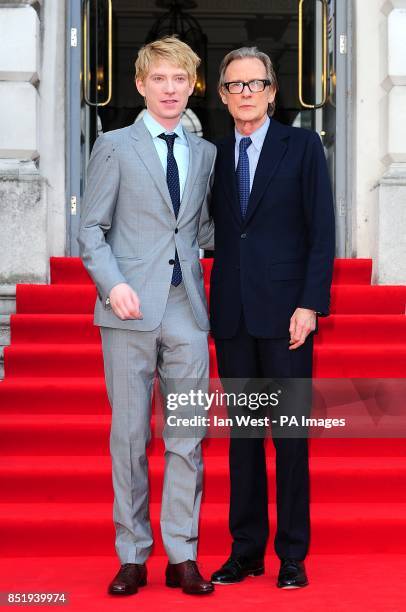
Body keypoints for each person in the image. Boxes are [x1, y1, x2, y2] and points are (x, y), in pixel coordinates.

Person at [78, 36, 216, 596]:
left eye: (180, 79)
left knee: (189, 435)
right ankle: (132, 554)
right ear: (140, 85)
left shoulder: (203, 151)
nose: (170, 89)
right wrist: (114, 287)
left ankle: (182, 554)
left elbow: (202, 228)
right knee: (130, 437)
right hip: (130, 310)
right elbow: (91, 230)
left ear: (191, 86)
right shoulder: (114, 145)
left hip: (187, 308)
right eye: (159, 78)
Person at [209, 47, 335, 589]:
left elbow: (321, 231)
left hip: (288, 316)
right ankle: (246, 550)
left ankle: (291, 554)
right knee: (242, 438)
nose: (245, 93)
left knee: (288, 437)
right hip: (233, 313)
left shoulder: (303, 146)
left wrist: (309, 304)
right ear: (221, 95)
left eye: (255, 84)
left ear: (273, 91)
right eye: (235, 85)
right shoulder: (211, 154)